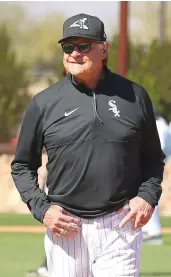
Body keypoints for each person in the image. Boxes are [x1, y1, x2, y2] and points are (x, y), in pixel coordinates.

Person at [11, 13, 165, 277]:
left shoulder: (135, 95)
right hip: (66, 228)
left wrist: (147, 197)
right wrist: (42, 209)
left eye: (84, 46)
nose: (75, 53)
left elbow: (153, 158)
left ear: (104, 49)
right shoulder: (44, 102)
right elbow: (22, 166)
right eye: (68, 46)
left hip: (120, 225)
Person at [142, 107, 170, 244]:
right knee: (147, 193)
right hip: (156, 163)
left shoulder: (158, 124)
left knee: (149, 194)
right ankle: (149, 230)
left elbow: (160, 149)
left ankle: (153, 232)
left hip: (154, 164)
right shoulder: (161, 123)